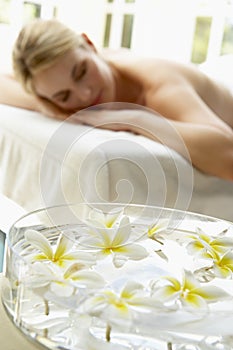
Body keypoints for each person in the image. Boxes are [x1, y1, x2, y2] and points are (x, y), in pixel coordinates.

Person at [2, 19, 233, 181]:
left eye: (82, 71)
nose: (84, 95)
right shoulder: (50, 86)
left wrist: (136, 119)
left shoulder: (155, 83)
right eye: (63, 95)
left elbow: (228, 158)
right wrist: (49, 107)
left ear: (90, 45)